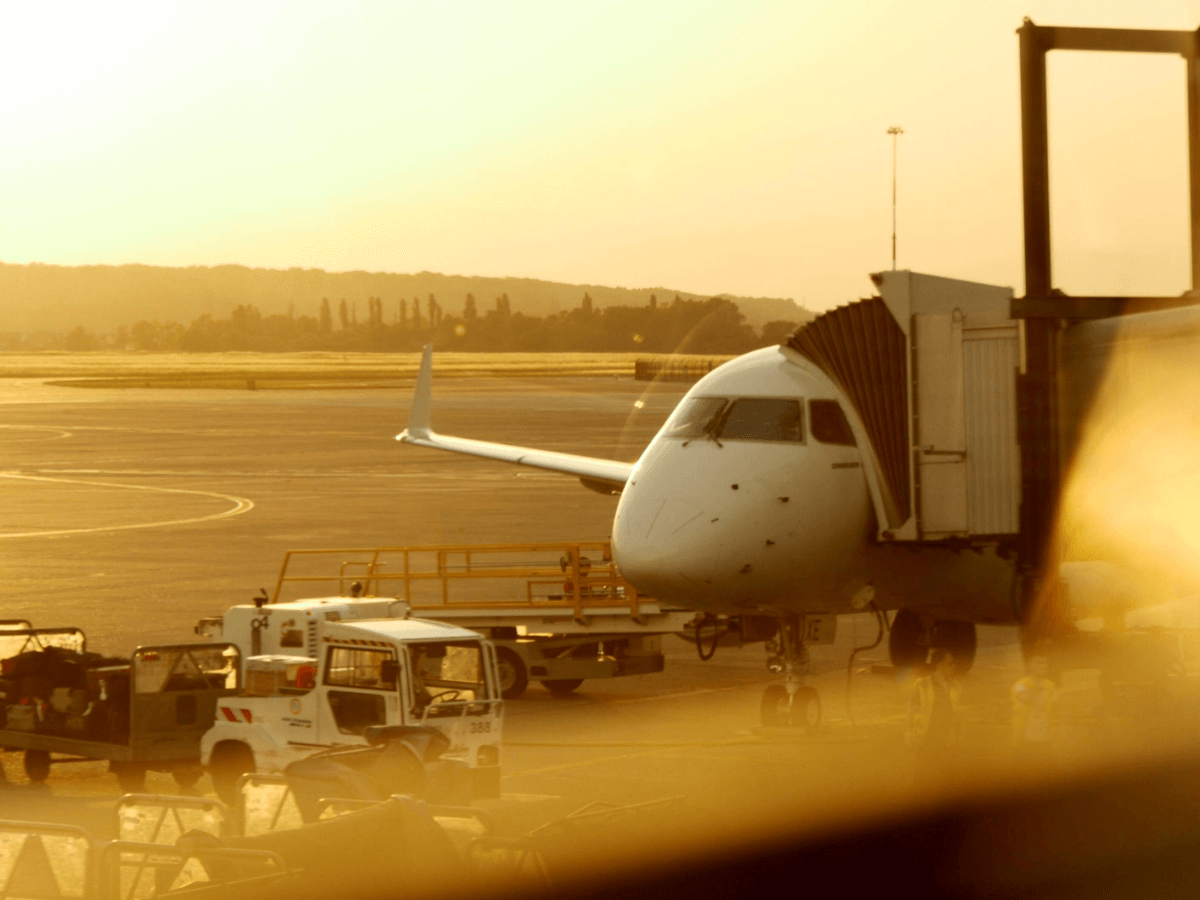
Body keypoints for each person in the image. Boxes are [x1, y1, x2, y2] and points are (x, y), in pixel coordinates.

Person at [906, 649, 960, 766]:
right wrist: (909, 732)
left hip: (946, 742)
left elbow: (956, 716)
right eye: (950, 663)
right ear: (939, 666)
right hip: (925, 741)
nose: (954, 666)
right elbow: (911, 709)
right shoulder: (922, 684)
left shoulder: (955, 686)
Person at [1011, 652, 1057, 765]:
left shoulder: (1051, 686)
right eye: (1039, 662)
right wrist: (1037, 682)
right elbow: (1025, 698)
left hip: (1045, 739)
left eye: (1045, 662)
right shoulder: (1020, 685)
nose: (1044, 665)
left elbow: (1056, 707)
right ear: (1030, 666)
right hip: (1025, 740)